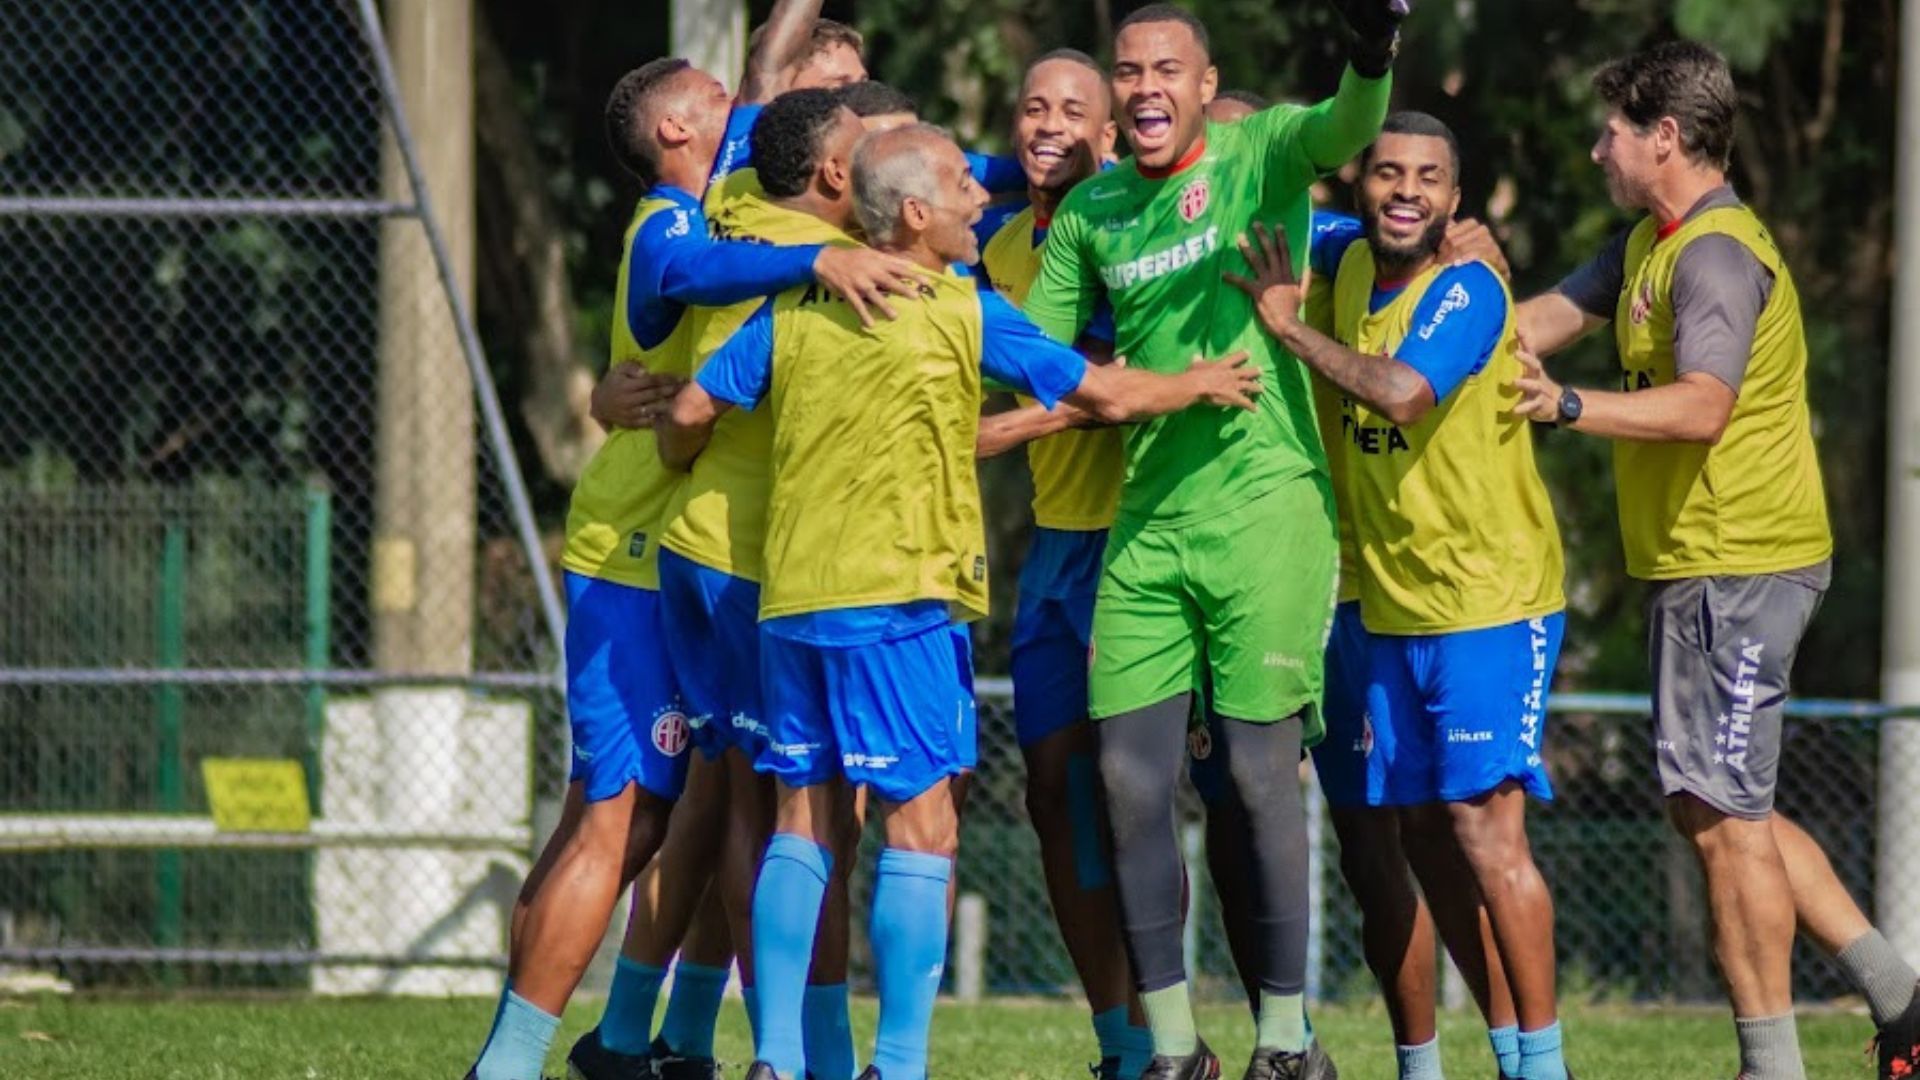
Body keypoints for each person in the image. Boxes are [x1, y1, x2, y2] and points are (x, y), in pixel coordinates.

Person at [657, 122, 1264, 1080]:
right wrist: (1195, 381)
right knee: (923, 822)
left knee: (801, 820)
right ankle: (895, 1066)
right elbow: (1101, 394)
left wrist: (676, 464)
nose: (982, 197)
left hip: (792, 599)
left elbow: (690, 412)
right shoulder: (959, 311)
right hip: (899, 597)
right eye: (959, 184)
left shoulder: (796, 307)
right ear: (914, 213)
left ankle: (773, 1058)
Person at [464, 7, 928, 1075]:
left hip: (724, 552)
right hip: (640, 547)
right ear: (684, 129)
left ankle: (647, 1037)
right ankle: (519, 1059)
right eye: (724, 104)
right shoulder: (694, 224)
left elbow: (770, 76)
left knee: (712, 803)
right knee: (622, 817)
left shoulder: (757, 204)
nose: (750, 108)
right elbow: (680, 280)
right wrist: (808, 273)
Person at [1507, 40, 1920, 1080]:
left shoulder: (1715, 255)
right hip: (1705, 567)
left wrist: (1563, 404)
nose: (1598, 147)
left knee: (1725, 820)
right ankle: (1903, 999)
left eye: (1612, 131)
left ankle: (1769, 1065)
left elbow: (1703, 408)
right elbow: (1537, 324)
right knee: (1715, 803)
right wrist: (1438, 319)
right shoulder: (1647, 241)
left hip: (1742, 564)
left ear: (1666, 137)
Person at [1021, 4, 1403, 1077]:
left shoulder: (1258, 150)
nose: (1145, 87)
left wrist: (1371, 56)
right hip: (1147, 526)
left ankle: (1286, 1044)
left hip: (1269, 511)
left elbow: (1345, 125)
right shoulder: (1092, 211)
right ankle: (1175, 1051)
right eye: (1128, 71)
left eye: (1165, 71)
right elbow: (1040, 357)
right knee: (1130, 782)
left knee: (1252, 774)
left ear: (1203, 84)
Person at [1231, 110, 1572, 1080]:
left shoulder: (1466, 288)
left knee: (1485, 829)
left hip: (1490, 600)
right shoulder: (1341, 266)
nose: (1407, 190)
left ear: (1456, 201)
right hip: (1389, 608)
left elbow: (1402, 394)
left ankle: (1541, 1068)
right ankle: (1448, 1064)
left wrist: (1289, 330)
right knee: (1417, 827)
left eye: (1429, 177)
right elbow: (1280, 219)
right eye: (1387, 172)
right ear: (1360, 186)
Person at [969, 48, 1150, 1080]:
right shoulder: (993, 249)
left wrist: (1009, 429)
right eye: (1032, 105)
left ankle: (1223, 1033)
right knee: (1050, 788)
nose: (1048, 123)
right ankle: (1122, 1045)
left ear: (1112, 131)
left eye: (1072, 110)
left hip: (1142, 538)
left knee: (1140, 788)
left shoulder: (1137, 225)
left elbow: (1139, 373)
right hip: (1053, 551)